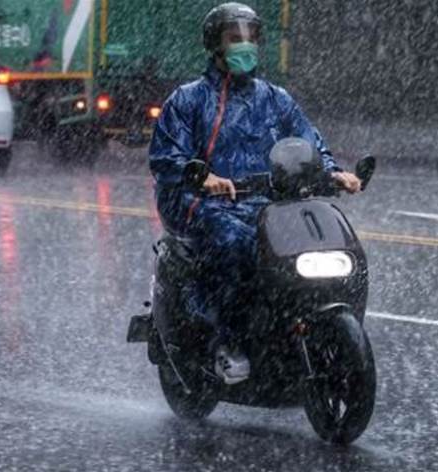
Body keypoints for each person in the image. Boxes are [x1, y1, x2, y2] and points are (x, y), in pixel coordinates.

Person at [148, 2, 361, 384]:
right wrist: (202, 177)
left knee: (311, 241)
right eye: (235, 38)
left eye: (251, 37)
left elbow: (308, 140)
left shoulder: (275, 98)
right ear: (215, 45)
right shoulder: (188, 99)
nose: (245, 45)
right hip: (201, 203)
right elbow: (166, 157)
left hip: (265, 202)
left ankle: (294, 325)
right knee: (233, 242)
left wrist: (333, 172)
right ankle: (225, 341)